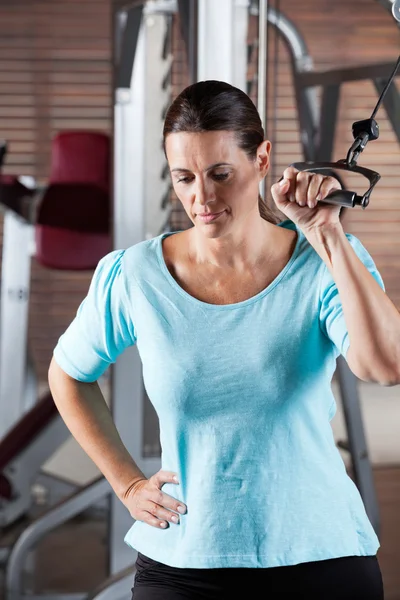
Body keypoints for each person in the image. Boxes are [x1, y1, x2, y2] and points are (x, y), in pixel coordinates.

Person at [48, 80, 400, 600]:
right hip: (185, 557)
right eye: (184, 177)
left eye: (220, 174)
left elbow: (385, 367)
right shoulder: (135, 274)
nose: (201, 198)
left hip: (320, 550)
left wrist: (325, 234)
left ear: (261, 160)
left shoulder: (324, 262)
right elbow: (69, 374)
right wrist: (127, 484)